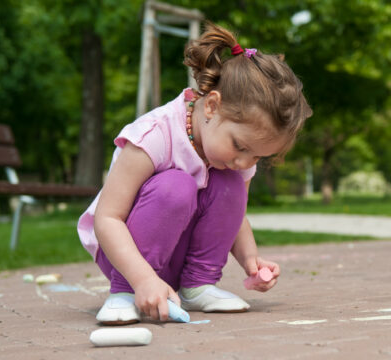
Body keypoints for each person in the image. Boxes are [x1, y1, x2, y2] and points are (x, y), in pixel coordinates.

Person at [77, 22, 312, 325]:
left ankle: (198, 286)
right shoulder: (154, 136)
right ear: (212, 106)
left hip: (177, 258)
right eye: (240, 146)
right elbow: (107, 219)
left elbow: (234, 215)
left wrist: (250, 259)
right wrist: (141, 280)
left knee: (231, 185)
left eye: (257, 156)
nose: (245, 162)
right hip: (126, 259)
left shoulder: (235, 158)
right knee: (176, 186)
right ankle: (122, 294)